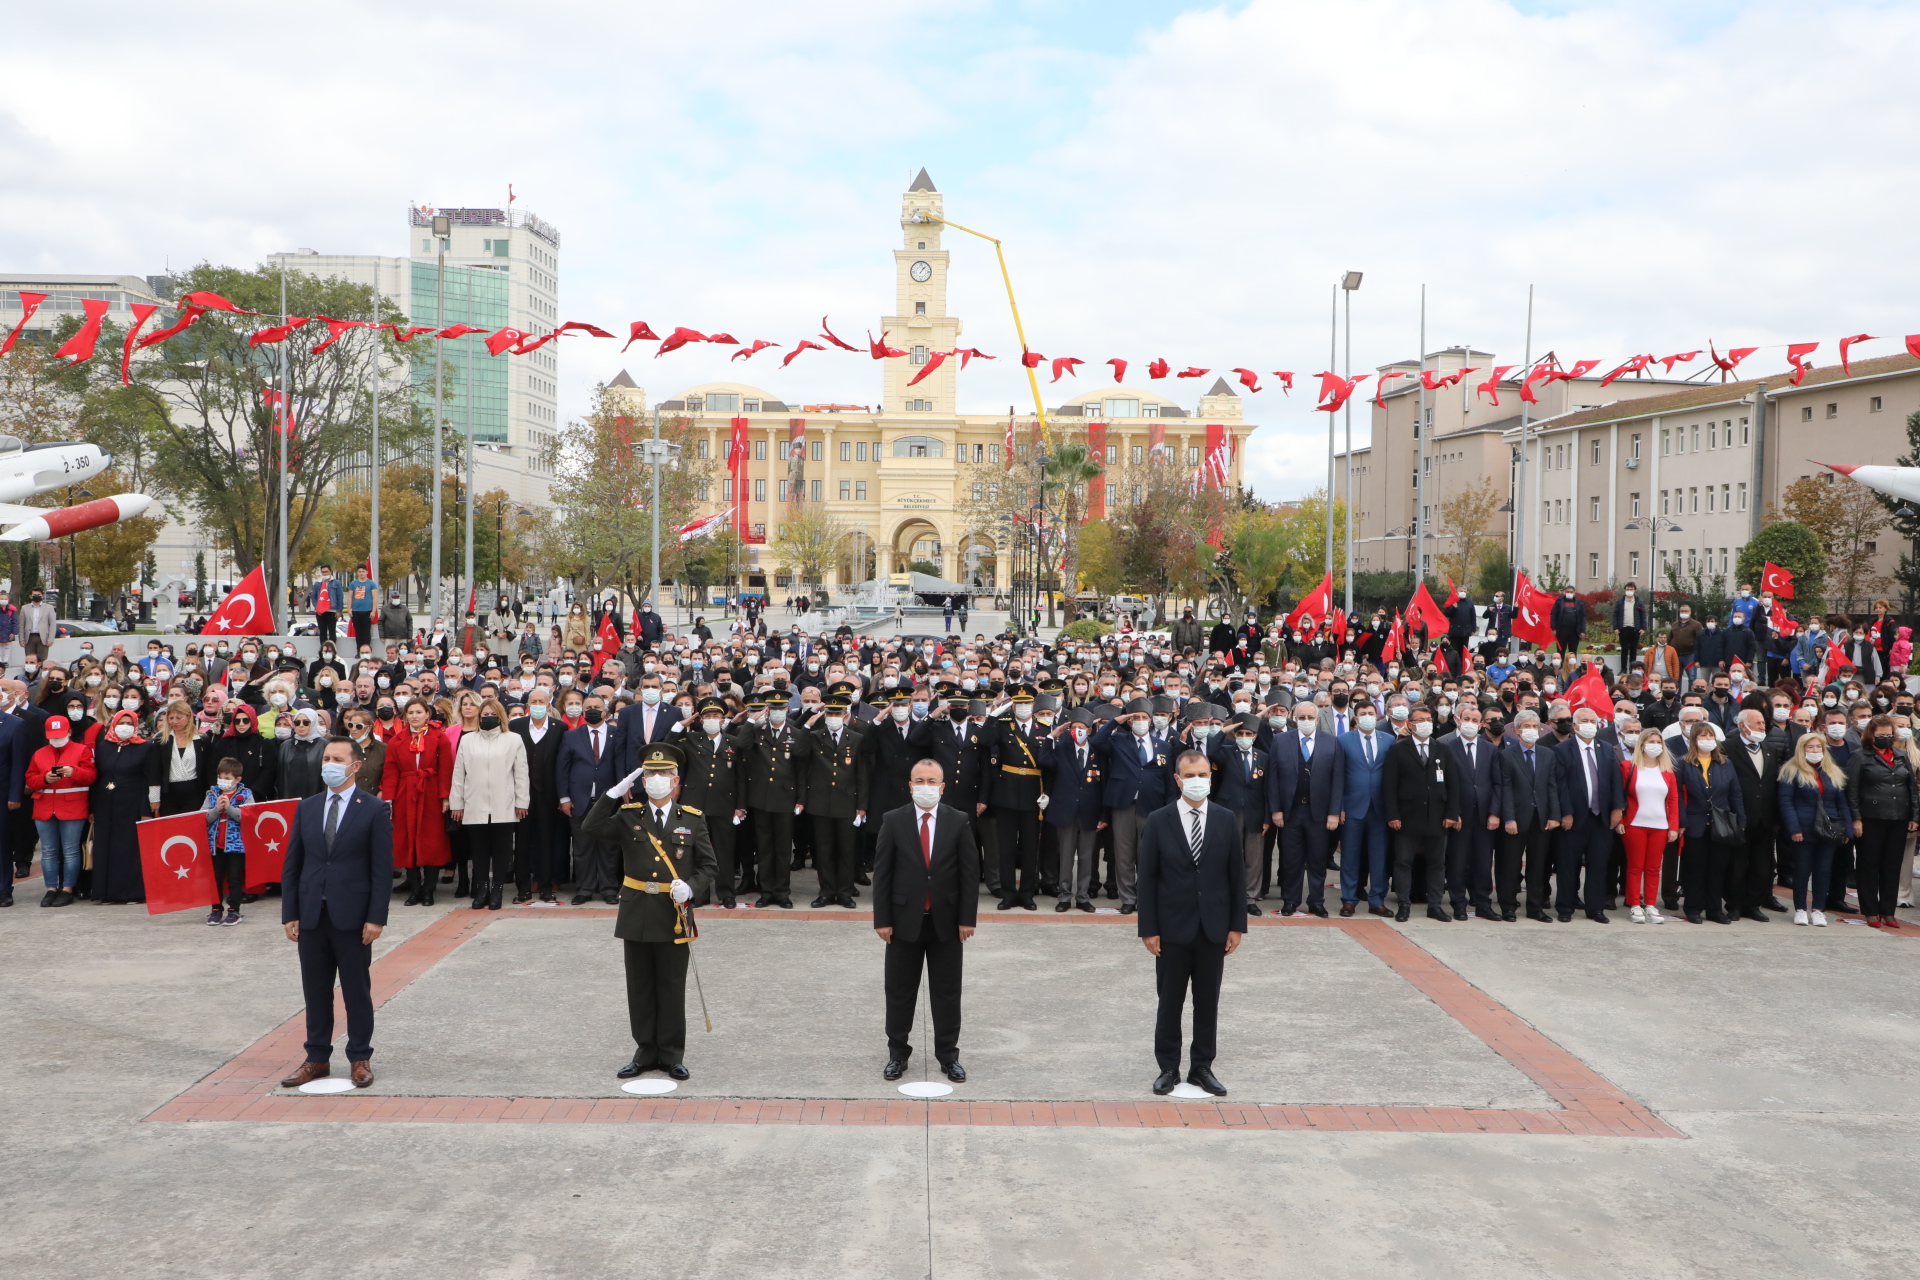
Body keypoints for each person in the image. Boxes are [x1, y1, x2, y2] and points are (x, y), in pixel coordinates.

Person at [585, 742, 716, 1083]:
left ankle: (672, 1054)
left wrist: (692, 887)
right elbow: (592, 828)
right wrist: (614, 793)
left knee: (672, 986)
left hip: (673, 913)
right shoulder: (629, 817)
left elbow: (708, 865)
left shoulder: (692, 818)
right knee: (640, 986)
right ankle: (645, 1052)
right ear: (642, 781)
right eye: (651, 774)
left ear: (676, 781)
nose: (658, 779)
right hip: (638, 911)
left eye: (665, 774)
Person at [278, 737, 391, 1091]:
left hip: (353, 915)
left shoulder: (373, 808)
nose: (329, 763)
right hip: (312, 912)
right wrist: (290, 911)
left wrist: (376, 917)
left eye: (337, 758)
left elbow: (381, 869)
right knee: (315, 990)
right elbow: (293, 864)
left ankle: (359, 1056)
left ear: (355, 765)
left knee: (356, 989)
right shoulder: (308, 807)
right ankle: (317, 1057)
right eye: (326, 757)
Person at [1137, 749, 1246, 1097]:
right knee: (1169, 1000)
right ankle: (1168, 1067)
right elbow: (1148, 878)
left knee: (1207, 1000)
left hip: (1213, 927)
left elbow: (1236, 876)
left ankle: (1202, 1066)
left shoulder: (1226, 818)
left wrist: (1236, 925)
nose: (1197, 781)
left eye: (1203, 775)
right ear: (1178, 779)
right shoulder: (1159, 819)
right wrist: (1149, 929)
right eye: (1191, 775)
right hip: (1171, 928)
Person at [873, 758, 979, 1082]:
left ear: (942, 787)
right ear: (910, 785)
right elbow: (883, 873)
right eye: (919, 781)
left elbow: (969, 873)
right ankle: (897, 1055)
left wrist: (967, 919)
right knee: (900, 991)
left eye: (932, 781)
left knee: (947, 993)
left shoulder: (958, 820)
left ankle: (948, 1056)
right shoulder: (894, 820)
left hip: (946, 922)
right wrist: (882, 920)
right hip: (904, 922)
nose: (926, 787)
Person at [448, 697, 529, 911]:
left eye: (493, 715)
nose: (489, 718)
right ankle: (482, 889)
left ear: (500, 716)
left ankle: (497, 890)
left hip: (505, 803)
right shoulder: (467, 741)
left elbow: (521, 774)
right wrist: (457, 803)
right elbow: (458, 775)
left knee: (502, 850)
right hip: (475, 803)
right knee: (479, 850)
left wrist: (522, 801)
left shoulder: (513, 739)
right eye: (485, 715)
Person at [1381, 706, 1462, 921]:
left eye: (1428, 719)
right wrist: (1393, 815)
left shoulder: (1442, 750)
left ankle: (1434, 905)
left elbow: (1453, 785)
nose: (1425, 723)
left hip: (1437, 816)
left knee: (1437, 863)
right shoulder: (1398, 750)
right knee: (1403, 862)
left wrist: (1452, 813)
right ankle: (1404, 904)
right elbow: (1389, 786)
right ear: (1410, 724)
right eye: (1420, 719)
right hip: (1407, 816)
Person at [1268, 696, 1344, 918]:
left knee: (1317, 859)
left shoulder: (1332, 742)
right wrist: (1276, 809)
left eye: (1310, 717)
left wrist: (1333, 812)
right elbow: (1273, 778)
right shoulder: (1281, 741)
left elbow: (1337, 780)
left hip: (1319, 813)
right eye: (1302, 717)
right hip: (1291, 811)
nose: (1306, 720)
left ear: (1318, 720)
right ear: (1294, 719)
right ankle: (1290, 901)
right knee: (1291, 859)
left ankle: (1316, 901)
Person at [1844, 713, 1918, 928]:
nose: (1886, 738)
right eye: (1881, 734)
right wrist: (1856, 819)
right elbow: (1852, 790)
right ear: (1872, 735)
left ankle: (1888, 911)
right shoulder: (1861, 756)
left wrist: (1914, 816)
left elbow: (1911, 787)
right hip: (1871, 817)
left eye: (1889, 734)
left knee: (1892, 865)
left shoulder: (1901, 754)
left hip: (1898, 817)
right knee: (1869, 864)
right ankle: (1870, 911)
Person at [1553, 707, 1624, 922]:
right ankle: (1565, 908)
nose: (1589, 724)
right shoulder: (1563, 749)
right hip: (1574, 818)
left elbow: (1615, 781)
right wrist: (1566, 813)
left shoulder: (1605, 748)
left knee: (1599, 865)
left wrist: (1617, 808)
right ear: (1574, 725)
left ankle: (1595, 908)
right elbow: (1561, 785)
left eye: (1593, 721)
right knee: (1567, 865)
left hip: (1601, 819)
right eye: (1584, 720)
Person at [380, 699, 453, 906]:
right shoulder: (397, 740)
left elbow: (446, 769)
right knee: (407, 841)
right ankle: (415, 889)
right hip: (406, 793)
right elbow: (391, 772)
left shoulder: (440, 738)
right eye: (410, 712)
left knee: (432, 841)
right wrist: (389, 798)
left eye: (418, 712)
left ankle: (429, 890)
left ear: (427, 714)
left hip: (430, 792)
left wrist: (445, 796)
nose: (414, 716)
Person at [1673, 720, 1746, 924]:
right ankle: (1693, 908)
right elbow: (1677, 794)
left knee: (1718, 869)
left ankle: (1715, 909)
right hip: (1695, 824)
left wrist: (1741, 820)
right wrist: (1682, 820)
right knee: (1695, 868)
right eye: (1703, 736)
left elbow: (1735, 793)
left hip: (1722, 824)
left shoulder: (1725, 763)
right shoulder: (1683, 763)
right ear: (1694, 739)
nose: (1707, 740)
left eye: (1710, 736)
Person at [1777, 730, 1851, 926]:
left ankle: (1818, 909)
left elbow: (1842, 802)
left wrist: (1847, 829)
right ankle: (1800, 909)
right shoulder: (1791, 770)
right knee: (1802, 870)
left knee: (1823, 870)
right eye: (1810, 747)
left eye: (1818, 746)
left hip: (1829, 829)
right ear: (1802, 749)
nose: (1815, 750)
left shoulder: (1833, 771)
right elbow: (1786, 802)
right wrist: (1794, 829)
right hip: (1803, 828)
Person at [27, 714, 94, 907]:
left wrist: (75, 772)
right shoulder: (39, 753)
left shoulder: (82, 751)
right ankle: (50, 889)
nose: (56, 738)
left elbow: (91, 776)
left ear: (69, 733)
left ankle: (67, 889)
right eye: (53, 735)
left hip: (72, 807)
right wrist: (45, 779)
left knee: (70, 851)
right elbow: (30, 780)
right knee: (48, 851)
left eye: (60, 734)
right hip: (45, 807)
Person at [559, 694, 620, 905]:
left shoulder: (617, 733)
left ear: (605, 712)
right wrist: (564, 798)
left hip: (608, 802)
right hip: (580, 801)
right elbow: (563, 769)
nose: (593, 710)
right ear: (583, 712)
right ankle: (584, 889)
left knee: (609, 848)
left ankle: (609, 889)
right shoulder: (571, 736)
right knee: (582, 848)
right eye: (589, 707)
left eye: (597, 707)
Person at [88, 709, 152, 905]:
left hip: (131, 803)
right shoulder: (104, 746)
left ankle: (131, 893)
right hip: (105, 804)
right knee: (105, 847)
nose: (125, 727)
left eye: (129, 723)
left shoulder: (145, 747)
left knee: (128, 848)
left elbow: (148, 780)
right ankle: (105, 892)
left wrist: (145, 811)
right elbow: (95, 777)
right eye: (121, 722)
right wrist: (91, 808)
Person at [511, 689, 569, 903]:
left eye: (541, 701)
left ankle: (546, 887)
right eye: (533, 701)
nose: (537, 704)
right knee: (523, 843)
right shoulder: (516, 726)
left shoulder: (559, 727)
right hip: (522, 795)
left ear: (548, 703)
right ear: (527, 704)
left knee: (547, 843)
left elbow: (562, 762)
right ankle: (523, 889)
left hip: (548, 795)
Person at [1046, 708, 1106, 912]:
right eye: (1073, 728)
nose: (1077, 731)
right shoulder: (1062, 748)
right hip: (1065, 809)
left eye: (1081, 728)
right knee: (1066, 854)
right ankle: (1064, 896)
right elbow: (1045, 762)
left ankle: (1082, 896)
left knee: (1087, 855)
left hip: (1090, 810)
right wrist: (1051, 736)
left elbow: (1104, 784)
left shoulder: (1098, 750)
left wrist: (1104, 814)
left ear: (1089, 730)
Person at [1336, 702, 1392, 916]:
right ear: (1356, 718)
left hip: (1379, 808)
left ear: (1376, 716)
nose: (1367, 716)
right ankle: (1349, 900)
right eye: (1363, 714)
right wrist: (1339, 806)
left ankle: (1377, 900)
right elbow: (1338, 775)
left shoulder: (1388, 740)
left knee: (1379, 856)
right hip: (1352, 808)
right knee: (1350, 855)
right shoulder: (1342, 741)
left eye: (1371, 713)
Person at [1616, 728, 1678, 923]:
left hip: (1660, 825)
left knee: (1653, 868)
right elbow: (1620, 796)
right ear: (1642, 744)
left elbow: (1674, 800)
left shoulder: (1667, 772)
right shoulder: (1628, 766)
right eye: (1651, 741)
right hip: (1635, 824)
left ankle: (1650, 905)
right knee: (1635, 866)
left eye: (1659, 742)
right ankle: (1635, 905)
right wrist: (1620, 820)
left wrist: (1674, 827)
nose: (1655, 745)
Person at [202, 757, 255, 926]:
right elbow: (203, 818)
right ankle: (216, 909)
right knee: (215, 878)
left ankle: (234, 910)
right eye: (220, 777)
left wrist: (230, 808)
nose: (223, 782)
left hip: (236, 845)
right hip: (215, 845)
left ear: (237, 779)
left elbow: (248, 817)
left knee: (234, 877)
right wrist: (216, 809)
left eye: (227, 778)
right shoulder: (211, 794)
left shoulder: (246, 794)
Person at [1613, 584, 1647, 671]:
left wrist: (1643, 628)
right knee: (1624, 650)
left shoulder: (1639, 602)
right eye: (1627, 589)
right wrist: (1616, 628)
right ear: (1625, 590)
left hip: (1635, 629)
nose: (1629, 591)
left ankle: (1633, 669)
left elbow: (1643, 615)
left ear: (1634, 590)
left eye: (1631, 589)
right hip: (1623, 629)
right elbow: (1615, 615)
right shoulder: (1620, 602)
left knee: (1633, 650)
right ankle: (1623, 669)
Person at [310, 565, 343, 644]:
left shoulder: (336, 583)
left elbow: (340, 597)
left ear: (330, 571)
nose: (325, 573)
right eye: (323, 572)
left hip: (332, 610)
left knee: (332, 631)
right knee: (322, 631)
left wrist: (339, 611)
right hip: (321, 611)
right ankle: (323, 650)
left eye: (326, 571)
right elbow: (313, 597)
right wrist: (317, 607)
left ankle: (332, 650)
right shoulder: (318, 583)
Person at [19, 590, 55, 663]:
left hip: (43, 639)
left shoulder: (49, 608)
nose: (36, 596)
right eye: (34, 594)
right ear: (30, 596)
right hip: (29, 638)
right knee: (30, 660)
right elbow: (21, 625)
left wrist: (50, 639)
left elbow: (52, 624)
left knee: (42, 660)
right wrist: (21, 639)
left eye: (39, 594)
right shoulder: (24, 608)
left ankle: (41, 673)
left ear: (42, 596)